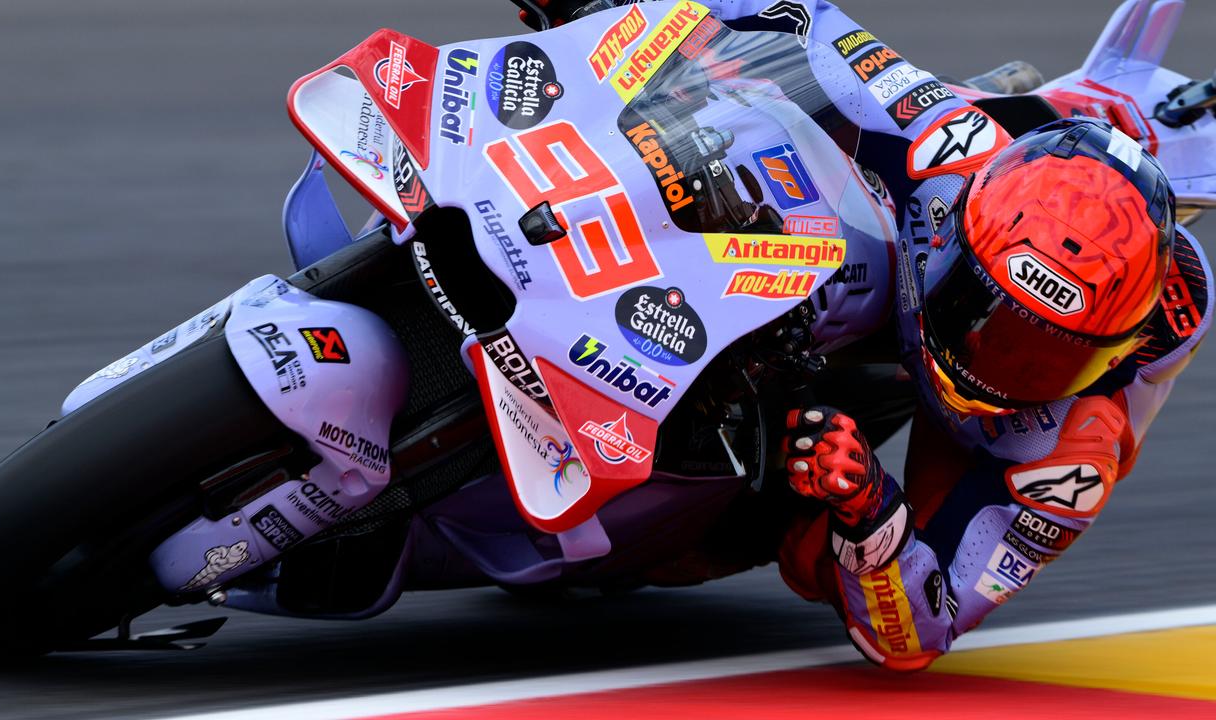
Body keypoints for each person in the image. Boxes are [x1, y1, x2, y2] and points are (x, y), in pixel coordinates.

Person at [516, 0, 1213, 669]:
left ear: (1115, 353)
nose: (991, 359)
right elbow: (802, 20)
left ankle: (693, 511)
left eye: (1045, 357)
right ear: (959, 229)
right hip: (936, 221)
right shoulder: (946, 148)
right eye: (982, 310)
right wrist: (609, 8)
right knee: (745, 119)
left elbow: (915, 636)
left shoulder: (1071, 453)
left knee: (814, 558)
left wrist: (867, 504)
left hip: (980, 436)